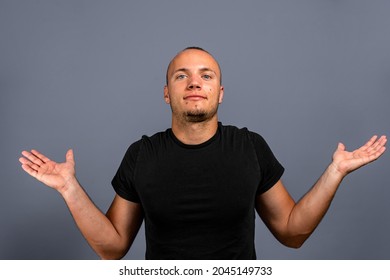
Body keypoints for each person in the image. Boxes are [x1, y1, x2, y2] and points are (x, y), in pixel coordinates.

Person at [19, 47, 387, 260]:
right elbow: (113, 247)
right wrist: (69, 188)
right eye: (182, 75)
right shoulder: (142, 154)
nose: (195, 82)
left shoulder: (249, 147)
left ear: (220, 92)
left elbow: (292, 232)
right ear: (167, 93)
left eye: (206, 75)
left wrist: (334, 172)